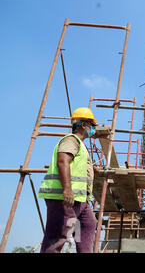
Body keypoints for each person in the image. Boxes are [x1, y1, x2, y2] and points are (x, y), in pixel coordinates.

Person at [38, 107, 99, 253]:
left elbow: (76, 167)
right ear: (84, 125)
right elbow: (62, 161)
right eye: (92, 125)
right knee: (58, 235)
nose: (93, 129)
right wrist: (67, 190)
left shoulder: (81, 145)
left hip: (80, 200)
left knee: (88, 224)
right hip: (64, 198)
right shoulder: (71, 140)